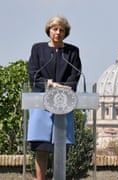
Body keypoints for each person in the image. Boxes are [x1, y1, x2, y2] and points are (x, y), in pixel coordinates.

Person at [27, 16, 82, 180]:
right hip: (41, 102)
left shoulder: (72, 52)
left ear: (66, 33)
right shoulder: (38, 49)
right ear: (49, 31)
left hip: (63, 103)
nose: (58, 32)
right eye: (55, 29)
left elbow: (75, 74)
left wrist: (66, 86)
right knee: (41, 148)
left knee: (60, 147)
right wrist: (49, 83)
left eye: (61, 30)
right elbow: (33, 74)